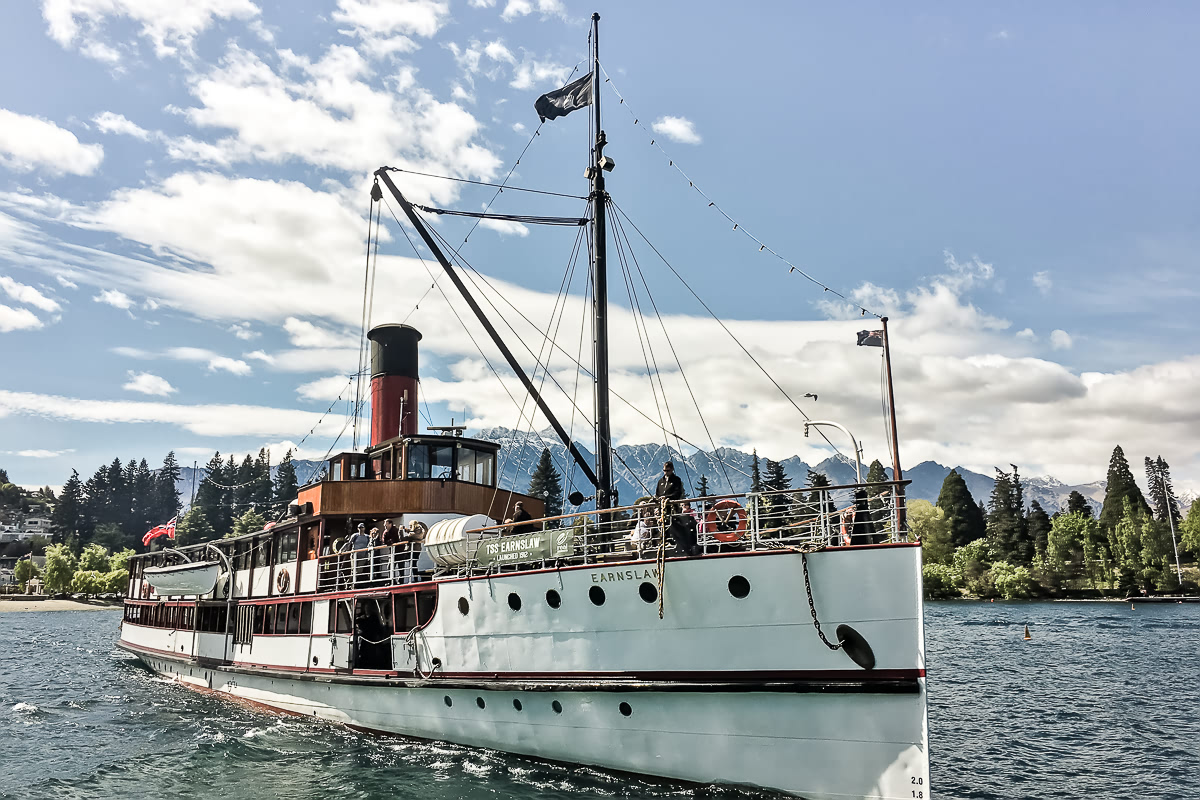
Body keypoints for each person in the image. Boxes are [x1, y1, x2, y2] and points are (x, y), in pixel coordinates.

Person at [656, 462, 698, 556]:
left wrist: (667, 498)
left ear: (672, 470)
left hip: (672, 507)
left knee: (672, 523)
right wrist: (659, 499)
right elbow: (658, 493)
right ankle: (663, 540)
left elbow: (677, 493)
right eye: (664, 471)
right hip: (662, 508)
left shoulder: (676, 480)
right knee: (663, 523)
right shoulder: (660, 481)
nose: (666, 472)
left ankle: (672, 540)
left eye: (668, 470)